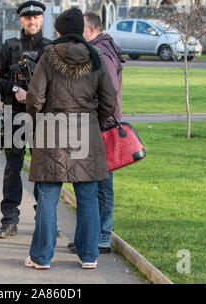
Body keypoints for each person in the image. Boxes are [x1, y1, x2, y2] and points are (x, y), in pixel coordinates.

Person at [25, 8, 116, 269]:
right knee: (87, 197)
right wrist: (93, 122)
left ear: (60, 31)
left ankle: (42, 257)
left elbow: (35, 97)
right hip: (85, 131)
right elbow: (108, 100)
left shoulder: (48, 56)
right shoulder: (96, 57)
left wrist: (38, 120)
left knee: (48, 198)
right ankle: (89, 255)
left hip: (52, 130)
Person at [0, 1, 51, 238]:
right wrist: (15, 88)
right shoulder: (8, 47)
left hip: (42, 117)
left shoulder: (51, 48)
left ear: (42, 20)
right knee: (12, 167)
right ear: (21, 21)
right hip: (13, 114)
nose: (32, 22)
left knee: (43, 169)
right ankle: (9, 220)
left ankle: (45, 220)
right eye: (28, 18)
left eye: (36, 18)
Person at [67, 13, 125, 255]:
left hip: (103, 127)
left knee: (102, 186)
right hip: (99, 125)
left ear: (90, 30)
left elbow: (107, 96)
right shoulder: (102, 49)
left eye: (81, 33)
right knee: (94, 185)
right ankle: (90, 236)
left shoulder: (102, 54)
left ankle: (101, 238)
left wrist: (97, 121)